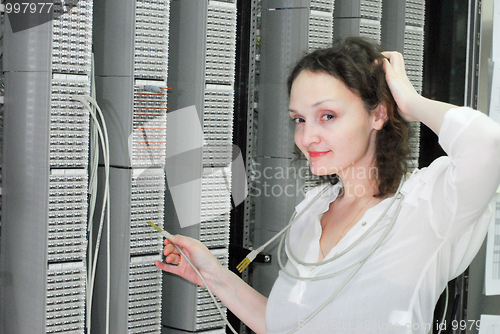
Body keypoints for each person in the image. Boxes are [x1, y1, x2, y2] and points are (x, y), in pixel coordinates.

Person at [155, 37, 500, 333]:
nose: (306, 136)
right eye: (299, 120)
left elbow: (487, 144)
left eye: (327, 116)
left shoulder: (427, 205)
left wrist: (410, 103)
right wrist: (213, 275)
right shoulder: (310, 210)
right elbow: (288, 325)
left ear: (377, 114)